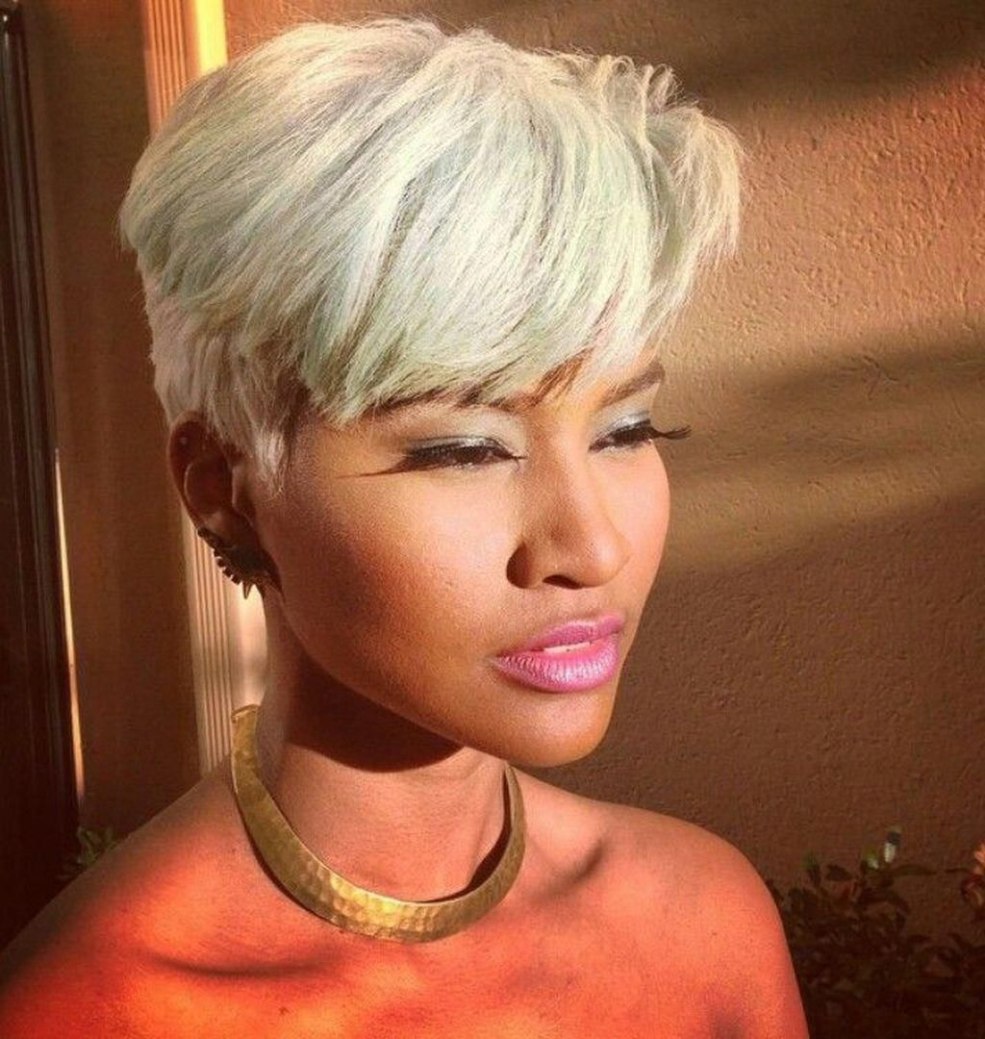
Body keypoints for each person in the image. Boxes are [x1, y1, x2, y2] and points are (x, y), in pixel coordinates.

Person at [0, 17, 807, 1036]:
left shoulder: (705, 922)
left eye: (626, 430)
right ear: (222, 487)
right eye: (465, 450)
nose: (592, 548)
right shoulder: (88, 1009)